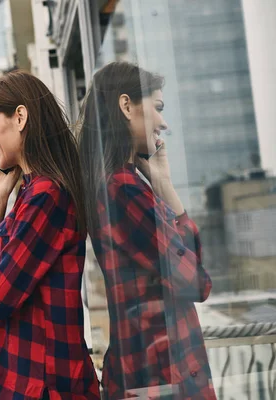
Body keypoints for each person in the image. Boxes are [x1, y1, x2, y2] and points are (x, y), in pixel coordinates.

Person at [77, 62, 216, 399]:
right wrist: (167, 194)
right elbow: (197, 283)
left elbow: (189, 268)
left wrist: (163, 184)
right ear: (126, 106)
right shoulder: (122, 190)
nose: (164, 123)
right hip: (162, 376)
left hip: (151, 373)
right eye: (158, 108)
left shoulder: (120, 185)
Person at [0, 70, 100, 399]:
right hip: (32, 384)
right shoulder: (29, 195)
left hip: (44, 387)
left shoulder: (45, 196)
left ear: (20, 117)